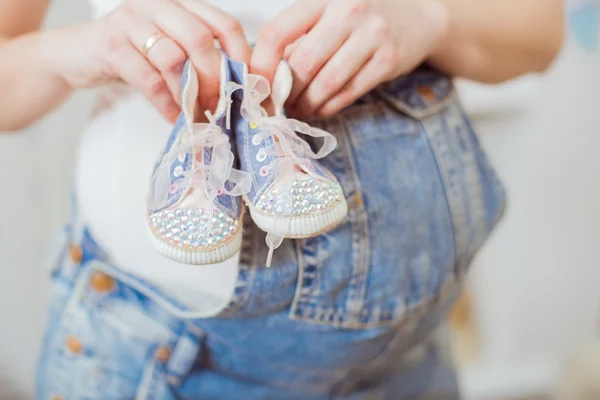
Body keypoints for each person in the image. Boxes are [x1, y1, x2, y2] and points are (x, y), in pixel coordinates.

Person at [1, 0, 563, 398]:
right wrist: (69, 50)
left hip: (408, 357)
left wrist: (434, 18)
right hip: (165, 353)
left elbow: (540, 33)